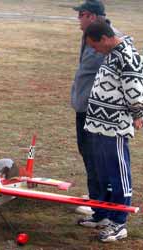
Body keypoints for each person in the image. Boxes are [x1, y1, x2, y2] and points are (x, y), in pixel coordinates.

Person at [79, 20, 143, 242]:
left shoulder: (127, 56)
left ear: (105, 39)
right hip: (98, 125)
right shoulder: (111, 53)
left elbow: (135, 89)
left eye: (95, 46)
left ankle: (119, 223)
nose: (94, 50)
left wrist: (138, 114)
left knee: (118, 174)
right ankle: (103, 215)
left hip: (114, 126)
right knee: (102, 173)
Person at [71, 0, 118, 216]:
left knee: (96, 155)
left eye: (80, 15)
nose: (78, 19)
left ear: (90, 16)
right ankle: (96, 197)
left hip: (96, 110)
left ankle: (100, 203)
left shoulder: (109, 40)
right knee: (88, 153)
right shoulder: (90, 36)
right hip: (84, 107)